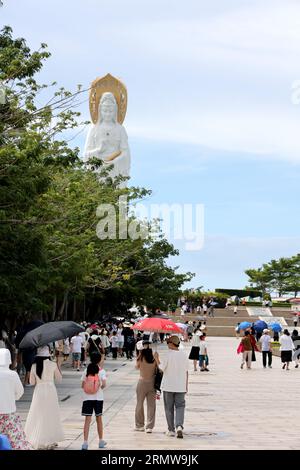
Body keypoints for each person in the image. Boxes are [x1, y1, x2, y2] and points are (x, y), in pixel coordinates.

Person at [84, 91, 131, 184]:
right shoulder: (94, 129)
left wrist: (115, 161)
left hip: (116, 169)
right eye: (105, 111)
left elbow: (126, 153)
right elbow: (86, 154)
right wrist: (98, 150)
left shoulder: (120, 129)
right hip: (98, 169)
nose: (108, 114)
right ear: (100, 110)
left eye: (110, 111)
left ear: (115, 111)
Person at [24, 345, 64, 449]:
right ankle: (50, 439)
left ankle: (38, 438)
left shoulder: (34, 366)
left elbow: (32, 382)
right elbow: (59, 378)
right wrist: (57, 366)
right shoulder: (53, 364)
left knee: (38, 413)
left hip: (39, 391)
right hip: (51, 390)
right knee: (51, 413)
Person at [157, 335, 189, 439]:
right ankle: (179, 425)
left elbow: (161, 369)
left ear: (171, 343)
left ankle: (171, 429)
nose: (167, 345)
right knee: (180, 406)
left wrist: (156, 359)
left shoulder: (168, 355)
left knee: (168, 408)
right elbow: (186, 371)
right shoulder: (184, 354)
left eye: (168, 343)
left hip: (168, 385)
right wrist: (186, 385)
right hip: (180, 385)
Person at [0, 349, 32, 450]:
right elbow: (20, 392)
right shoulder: (12, 374)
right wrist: (12, 398)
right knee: (15, 440)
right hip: (9, 412)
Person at [81, 352, 107, 450]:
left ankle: (85, 443)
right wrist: (98, 386)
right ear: (99, 360)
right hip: (98, 398)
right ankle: (100, 441)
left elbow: (82, 385)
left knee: (87, 420)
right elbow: (104, 384)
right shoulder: (102, 371)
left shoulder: (86, 370)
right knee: (98, 419)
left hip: (87, 398)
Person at [134, 341, 159, 433]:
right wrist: (156, 358)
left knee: (139, 404)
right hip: (152, 383)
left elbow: (136, 367)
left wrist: (139, 354)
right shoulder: (154, 357)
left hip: (142, 382)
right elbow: (159, 367)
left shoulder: (140, 357)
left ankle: (140, 425)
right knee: (151, 405)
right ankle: (149, 426)